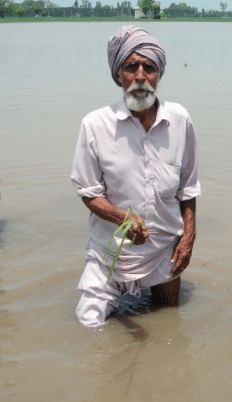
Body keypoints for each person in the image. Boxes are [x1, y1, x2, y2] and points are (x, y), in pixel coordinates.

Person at [71, 25, 200, 328]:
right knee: (89, 325)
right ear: (119, 74)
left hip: (165, 250)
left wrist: (189, 237)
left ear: (159, 75)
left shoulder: (180, 121)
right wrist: (121, 218)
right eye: (132, 67)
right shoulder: (95, 125)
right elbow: (89, 192)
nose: (141, 76)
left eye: (149, 68)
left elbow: (188, 188)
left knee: (169, 322)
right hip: (109, 254)